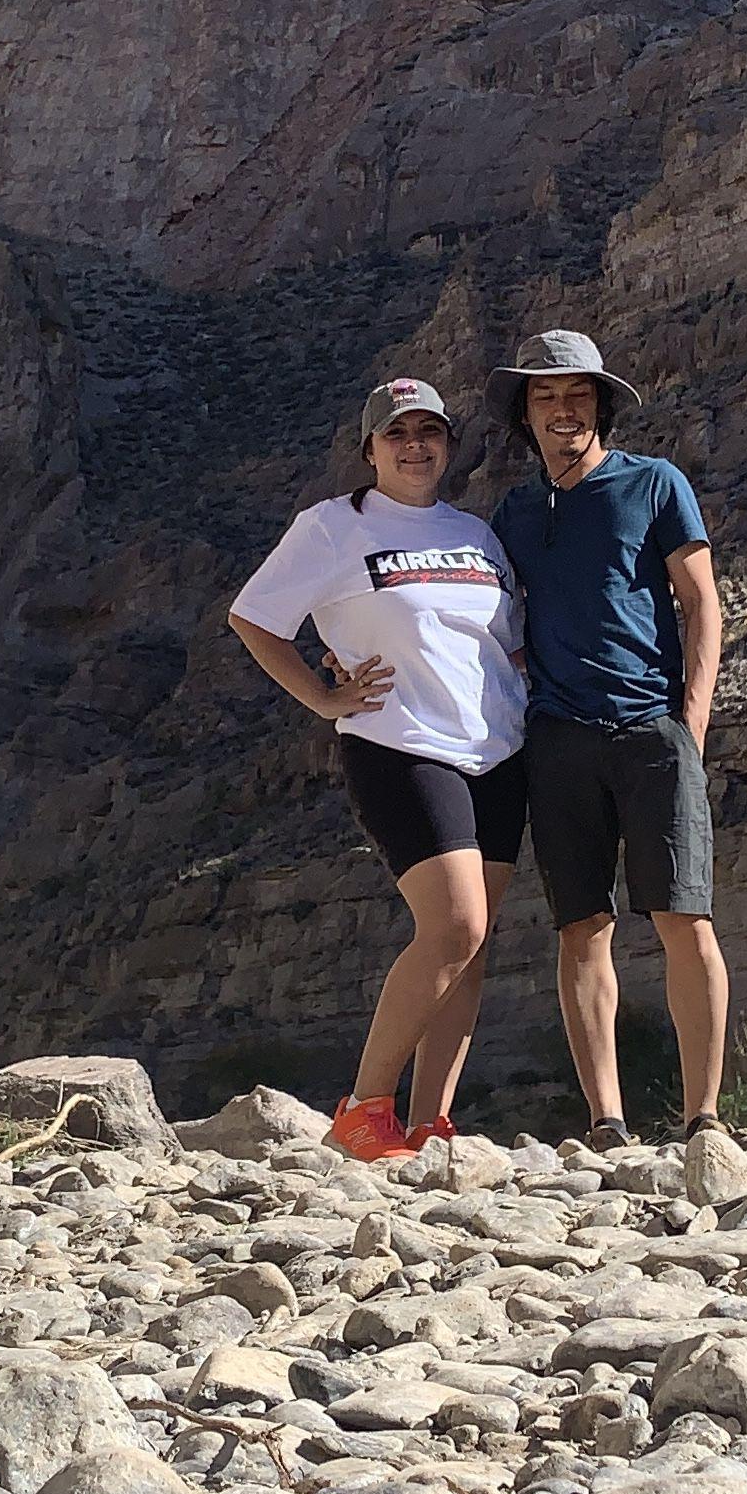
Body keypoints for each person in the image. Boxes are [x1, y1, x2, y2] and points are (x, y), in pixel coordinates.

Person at [225, 378, 529, 1163]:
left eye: (430, 431)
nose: (415, 445)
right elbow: (255, 618)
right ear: (370, 450)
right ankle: (364, 1109)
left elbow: (505, 642)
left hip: (495, 749)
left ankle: (431, 1125)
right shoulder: (332, 528)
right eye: (398, 434)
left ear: (450, 447)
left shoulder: (477, 537)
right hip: (399, 743)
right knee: (453, 924)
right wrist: (326, 697)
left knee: (473, 942)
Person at [491, 329, 731, 1150]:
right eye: (546, 397)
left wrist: (690, 720)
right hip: (557, 738)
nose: (564, 410)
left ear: (602, 404)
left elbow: (702, 603)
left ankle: (704, 1118)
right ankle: (607, 1121)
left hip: (653, 729)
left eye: (577, 395)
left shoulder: (655, 484)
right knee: (582, 926)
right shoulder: (516, 513)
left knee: (684, 918)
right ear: (525, 414)